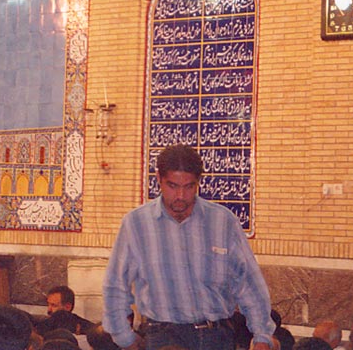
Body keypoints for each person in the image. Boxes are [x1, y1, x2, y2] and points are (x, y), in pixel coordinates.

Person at [102, 144, 274, 350]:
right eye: (173, 186)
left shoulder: (223, 222)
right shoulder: (136, 224)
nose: (181, 196)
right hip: (162, 337)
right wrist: (124, 337)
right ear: (159, 179)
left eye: (189, 186)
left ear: (198, 182)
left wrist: (262, 335)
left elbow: (248, 282)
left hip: (216, 336)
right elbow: (115, 286)